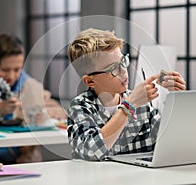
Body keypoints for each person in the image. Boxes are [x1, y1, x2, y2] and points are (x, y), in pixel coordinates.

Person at [66, 28, 186, 161]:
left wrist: (179, 100)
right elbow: (92, 151)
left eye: (123, 61)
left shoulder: (141, 105)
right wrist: (129, 105)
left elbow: (173, 141)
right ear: (90, 81)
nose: (124, 71)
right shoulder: (80, 107)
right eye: (113, 68)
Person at [0, 33, 67, 164]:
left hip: (25, 158)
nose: (11, 76)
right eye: (5, 70)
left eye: (17, 69)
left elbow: (60, 112)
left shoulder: (32, 86)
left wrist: (41, 113)